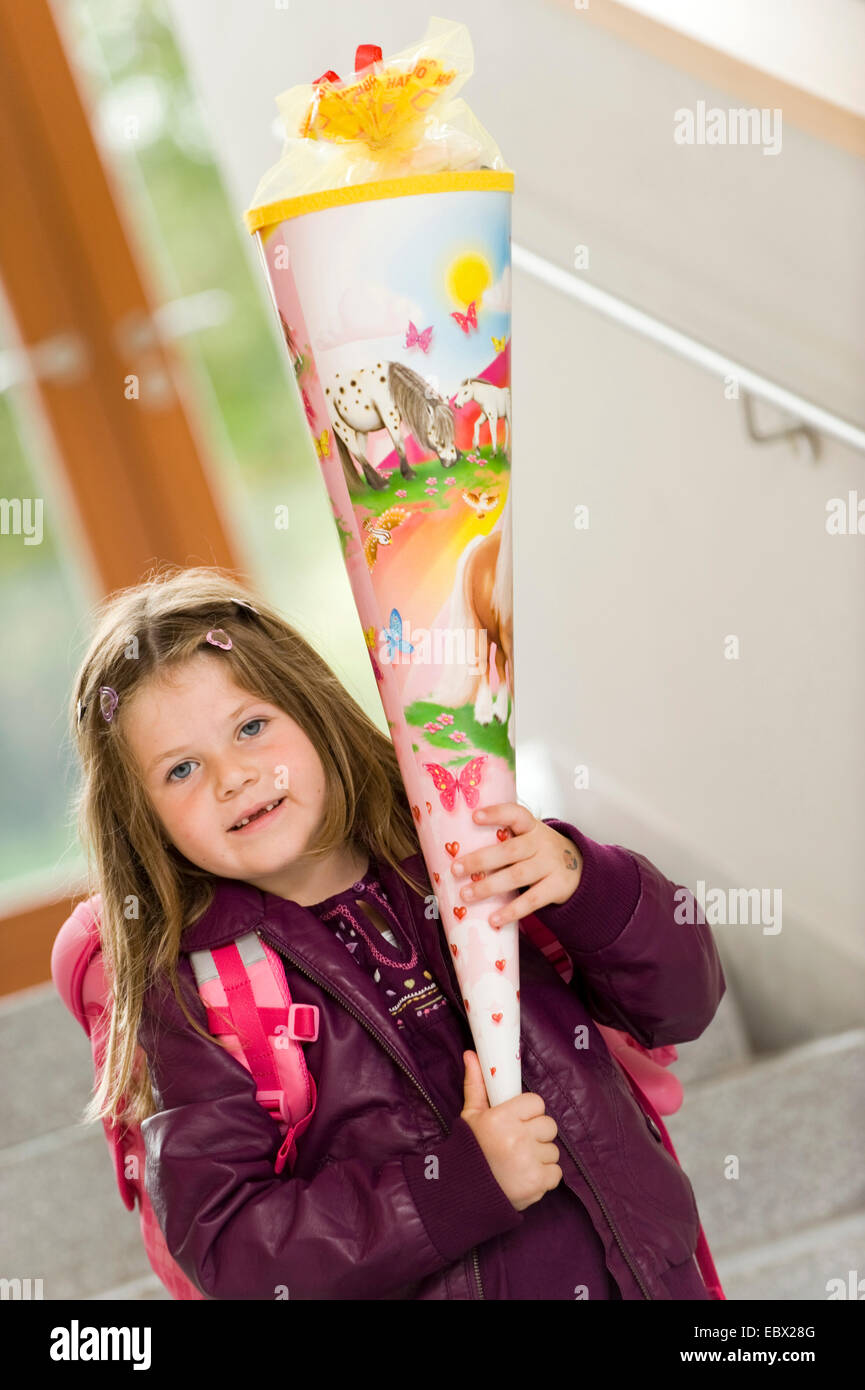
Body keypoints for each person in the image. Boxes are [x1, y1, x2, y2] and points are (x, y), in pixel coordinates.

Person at [70, 563, 725, 1300]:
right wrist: (458, 1187)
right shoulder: (189, 997)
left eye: (251, 727)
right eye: (181, 769)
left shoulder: (460, 843)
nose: (233, 776)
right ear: (140, 817)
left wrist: (584, 881)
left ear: (311, 712)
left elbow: (683, 1002)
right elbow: (235, 1255)